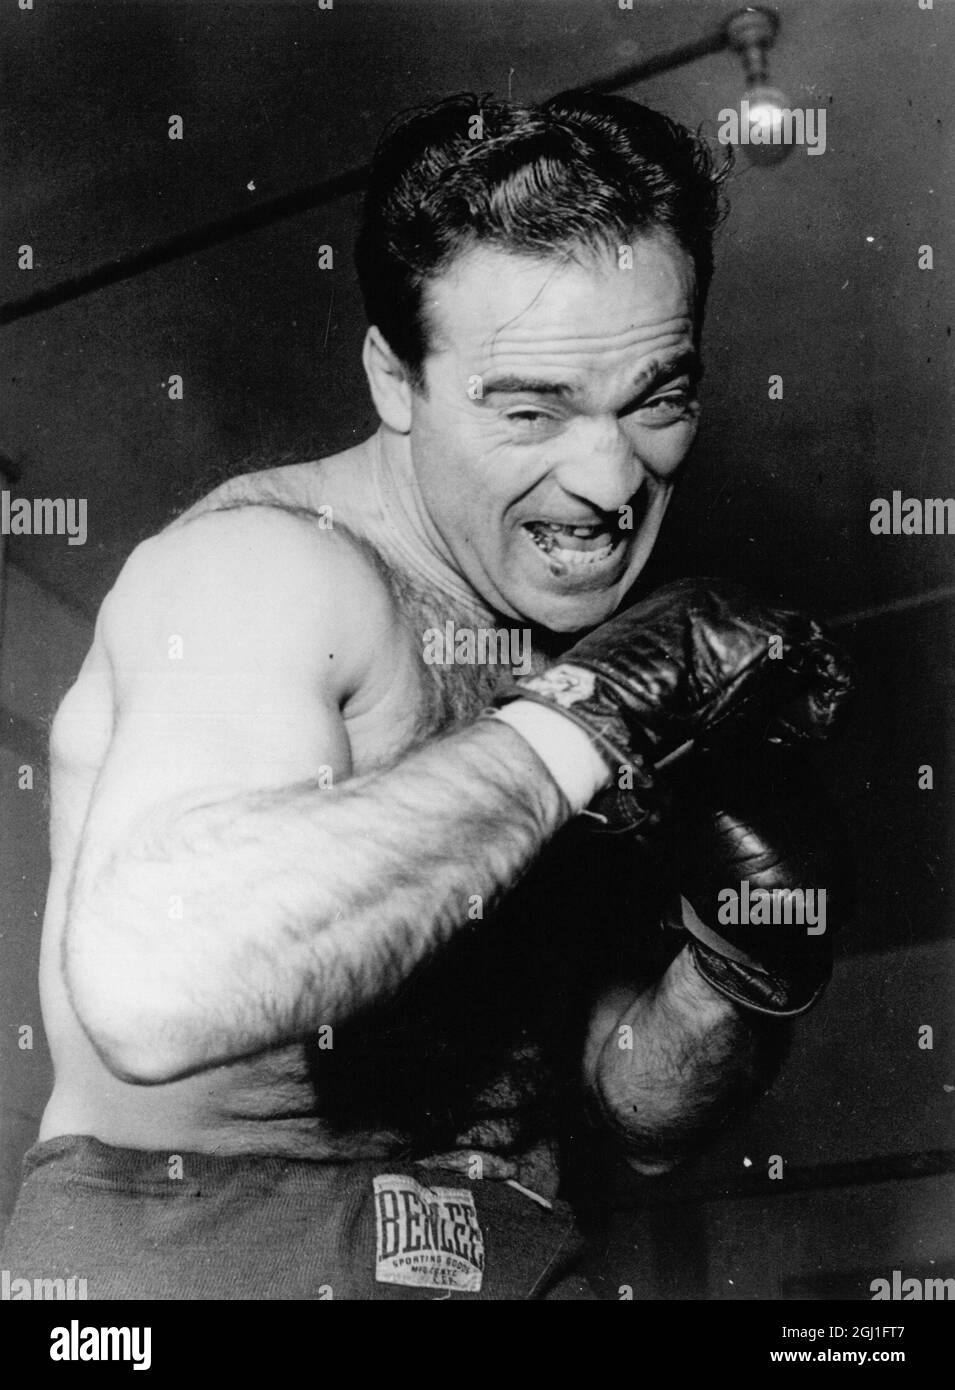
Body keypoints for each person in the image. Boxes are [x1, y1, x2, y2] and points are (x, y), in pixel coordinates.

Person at [0, 92, 853, 1300]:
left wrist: (745, 962)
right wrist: (580, 721)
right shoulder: (269, 570)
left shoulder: (587, 660)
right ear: (394, 380)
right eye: (531, 407)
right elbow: (152, 989)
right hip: (195, 1255)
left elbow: (637, 1111)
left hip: (506, 1246)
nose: (612, 481)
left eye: (656, 398)